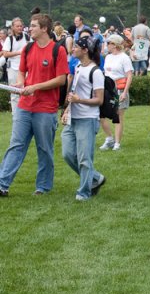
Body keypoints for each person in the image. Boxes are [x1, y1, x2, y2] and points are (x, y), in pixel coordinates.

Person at [0, 13, 69, 197]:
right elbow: (22, 72)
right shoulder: (28, 48)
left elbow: (61, 79)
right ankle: (2, 184)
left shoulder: (58, 50)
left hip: (45, 109)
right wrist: (21, 84)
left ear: (44, 29)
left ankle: (43, 187)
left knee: (44, 149)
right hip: (25, 106)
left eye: (33, 26)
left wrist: (35, 87)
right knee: (16, 145)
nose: (29, 29)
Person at [61, 37, 106, 200]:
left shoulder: (96, 72)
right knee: (67, 153)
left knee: (84, 158)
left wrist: (79, 100)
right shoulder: (78, 67)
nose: (72, 49)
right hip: (73, 118)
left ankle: (84, 192)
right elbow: (73, 93)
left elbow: (99, 100)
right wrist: (66, 110)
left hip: (87, 119)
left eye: (76, 47)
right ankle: (96, 178)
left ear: (85, 50)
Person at [98, 35, 132, 151]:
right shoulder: (108, 57)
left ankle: (117, 143)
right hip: (107, 89)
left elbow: (129, 76)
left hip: (119, 88)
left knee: (118, 116)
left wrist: (125, 92)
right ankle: (109, 138)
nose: (106, 45)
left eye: (109, 43)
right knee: (101, 115)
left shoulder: (124, 58)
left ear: (115, 44)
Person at [1, 17, 28, 112]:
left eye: (21, 26)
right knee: (14, 91)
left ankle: (25, 111)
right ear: (12, 27)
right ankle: (15, 113)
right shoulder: (9, 39)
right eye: (17, 26)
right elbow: (5, 53)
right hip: (13, 67)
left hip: (26, 68)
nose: (20, 28)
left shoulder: (27, 37)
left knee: (26, 90)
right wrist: (19, 53)